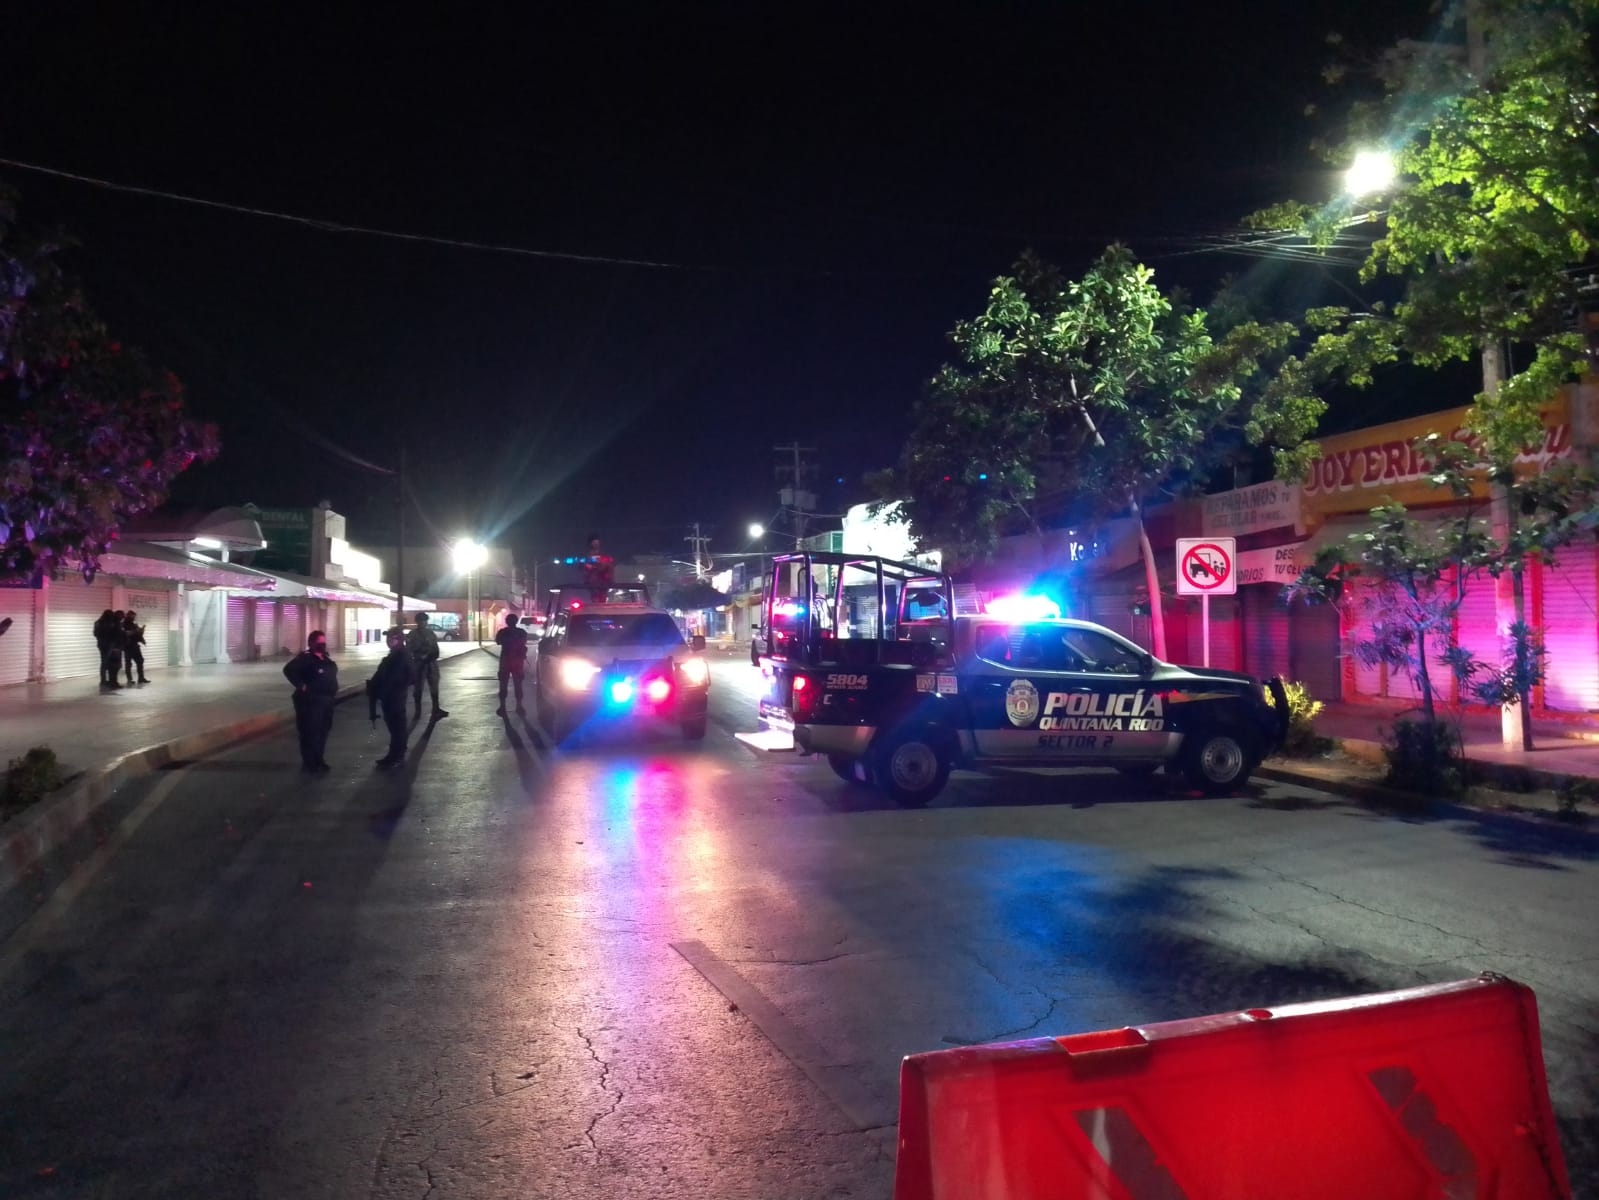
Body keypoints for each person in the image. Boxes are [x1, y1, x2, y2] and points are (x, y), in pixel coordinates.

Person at [283, 630, 339, 772]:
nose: (322, 645)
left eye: (324, 642)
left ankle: (319, 760)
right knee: (310, 732)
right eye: (319, 643)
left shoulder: (325, 659)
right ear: (311, 643)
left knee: (322, 732)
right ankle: (309, 763)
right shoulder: (305, 658)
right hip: (310, 703)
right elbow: (288, 670)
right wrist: (302, 686)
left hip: (326, 702)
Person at [367, 627, 416, 768]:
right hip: (388, 697)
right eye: (387, 638)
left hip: (396, 698)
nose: (388, 641)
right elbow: (381, 674)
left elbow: (412, 677)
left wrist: (397, 687)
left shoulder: (402, 656)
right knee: (394, 728)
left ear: (399, 640)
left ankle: (397, 756)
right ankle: (393, 755)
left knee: (397, 728)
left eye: (392, 638)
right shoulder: (392, 656)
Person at [405, 611, 448, 719]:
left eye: (425, 621)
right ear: (417, 622)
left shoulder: (430, 633)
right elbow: (409, 650)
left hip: (431, 663)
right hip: (419, 665)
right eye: (421, 621)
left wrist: (429, 656)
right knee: (418, 688)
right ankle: (418, 711)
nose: (423, 623)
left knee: (434, 687)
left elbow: (436, 650)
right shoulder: (412, 635)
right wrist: (420, 655)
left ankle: (436, 709)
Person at [494, 613, 529, 717]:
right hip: (517, 662)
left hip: (505, 661)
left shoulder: (502, 632)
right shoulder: (521, 632)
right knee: (518, 685)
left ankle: (502, 706)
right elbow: (523, 644)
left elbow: (498, 642)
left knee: (503, 685)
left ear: (506, 621)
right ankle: (519, 706)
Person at [93, 609, 125, 689]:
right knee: (112, 664)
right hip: (110, 645)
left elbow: (95, 634)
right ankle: (111, 682)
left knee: (104, 663)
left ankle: (104, 681)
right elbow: (116, 634)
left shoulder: (98, 622)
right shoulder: (111, 623)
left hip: (102, 644)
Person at [581, 533, 614, 603]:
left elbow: (610, 565)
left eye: (597, 542)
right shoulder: (587, 555)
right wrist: (587, 566)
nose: (596, 544)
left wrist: (604, 567)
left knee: (602, 598)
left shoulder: (605, 554)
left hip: (604, 580)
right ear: (590, 544)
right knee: (595, 597)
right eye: (594, 542)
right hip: (592, 581)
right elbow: (582, 566)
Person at [122, 610, 149, 685]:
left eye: (134, 616)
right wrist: (136, 631)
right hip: (128, 646)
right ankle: (130, 680)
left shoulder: (133, 624)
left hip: (134, 645)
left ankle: (141, 678)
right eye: (133, 616)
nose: (134, 617)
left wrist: (141, 631)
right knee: (128, 663)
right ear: (129, 615)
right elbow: (126, 634)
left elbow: (138, 634)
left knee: (140, 661)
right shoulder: (123, 624)